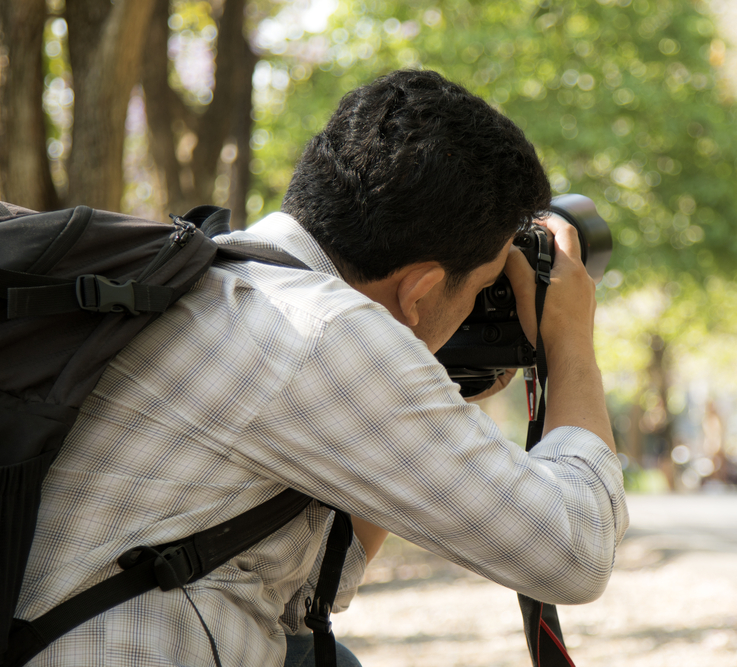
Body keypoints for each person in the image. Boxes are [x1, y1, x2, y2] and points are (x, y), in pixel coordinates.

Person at [15, 69, 628, 666]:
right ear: (419, 290)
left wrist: (437, 392)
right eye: (487, 284)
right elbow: (574, 554)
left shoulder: (224, 281)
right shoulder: (323, 331)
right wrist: (570, 337)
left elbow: (311, 593)